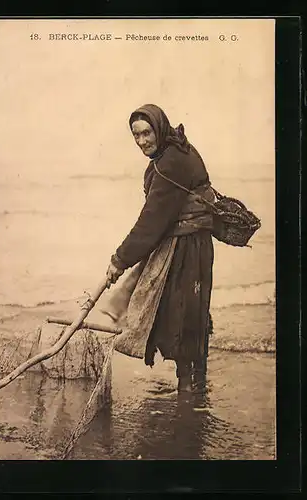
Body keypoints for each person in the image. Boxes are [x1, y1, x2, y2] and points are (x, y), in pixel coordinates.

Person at [104, 104, 215, 392]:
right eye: (136, 136)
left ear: (159, 128)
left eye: (146, 133)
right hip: (194, 244)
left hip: (187, 248)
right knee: (192, 311)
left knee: (182, 313)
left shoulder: (170, 164)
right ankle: (195, 384)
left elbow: (151, 222)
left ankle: (188, 397)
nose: (142, 142)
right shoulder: (176, 149)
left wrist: (119, 260)